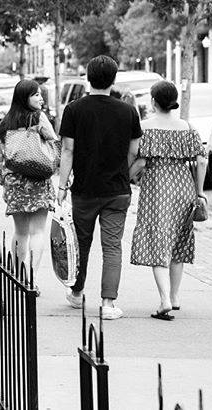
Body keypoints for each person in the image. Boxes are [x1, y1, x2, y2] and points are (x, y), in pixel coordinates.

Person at [57, 55, 142, 320]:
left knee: (81, 243)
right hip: (117, 190)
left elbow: (68, 150)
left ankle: (77, 292)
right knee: (112, 246)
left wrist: (62, 185)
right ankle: (108, 303)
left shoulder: (74, 110)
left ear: (88, 78)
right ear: (113, 80)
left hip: (84, 189)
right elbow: (135, 150)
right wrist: (122, 172)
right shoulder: (128, 111)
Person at [129, 81, 207, 321]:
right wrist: (199, 192)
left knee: (158, 241)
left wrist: (126, 178)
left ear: (153, 101)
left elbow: (141, 161)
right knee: (178, 242)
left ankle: (164, 300)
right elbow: (201, 161)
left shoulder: (145, 128)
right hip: (184, 186)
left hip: (157, 188)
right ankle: (174, 297)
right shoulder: (187, 127)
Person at [0, 79, 59, 288]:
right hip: (38, 180)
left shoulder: (6, 123)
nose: (41, 99)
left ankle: (16, 276)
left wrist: (3, 179)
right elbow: (54, 143)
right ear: (25, 97)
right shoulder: (38, 118)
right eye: (36, 95)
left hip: (15, 182)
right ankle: (32, 278)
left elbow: (0, 156)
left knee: (20, 232)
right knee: (37, 232)